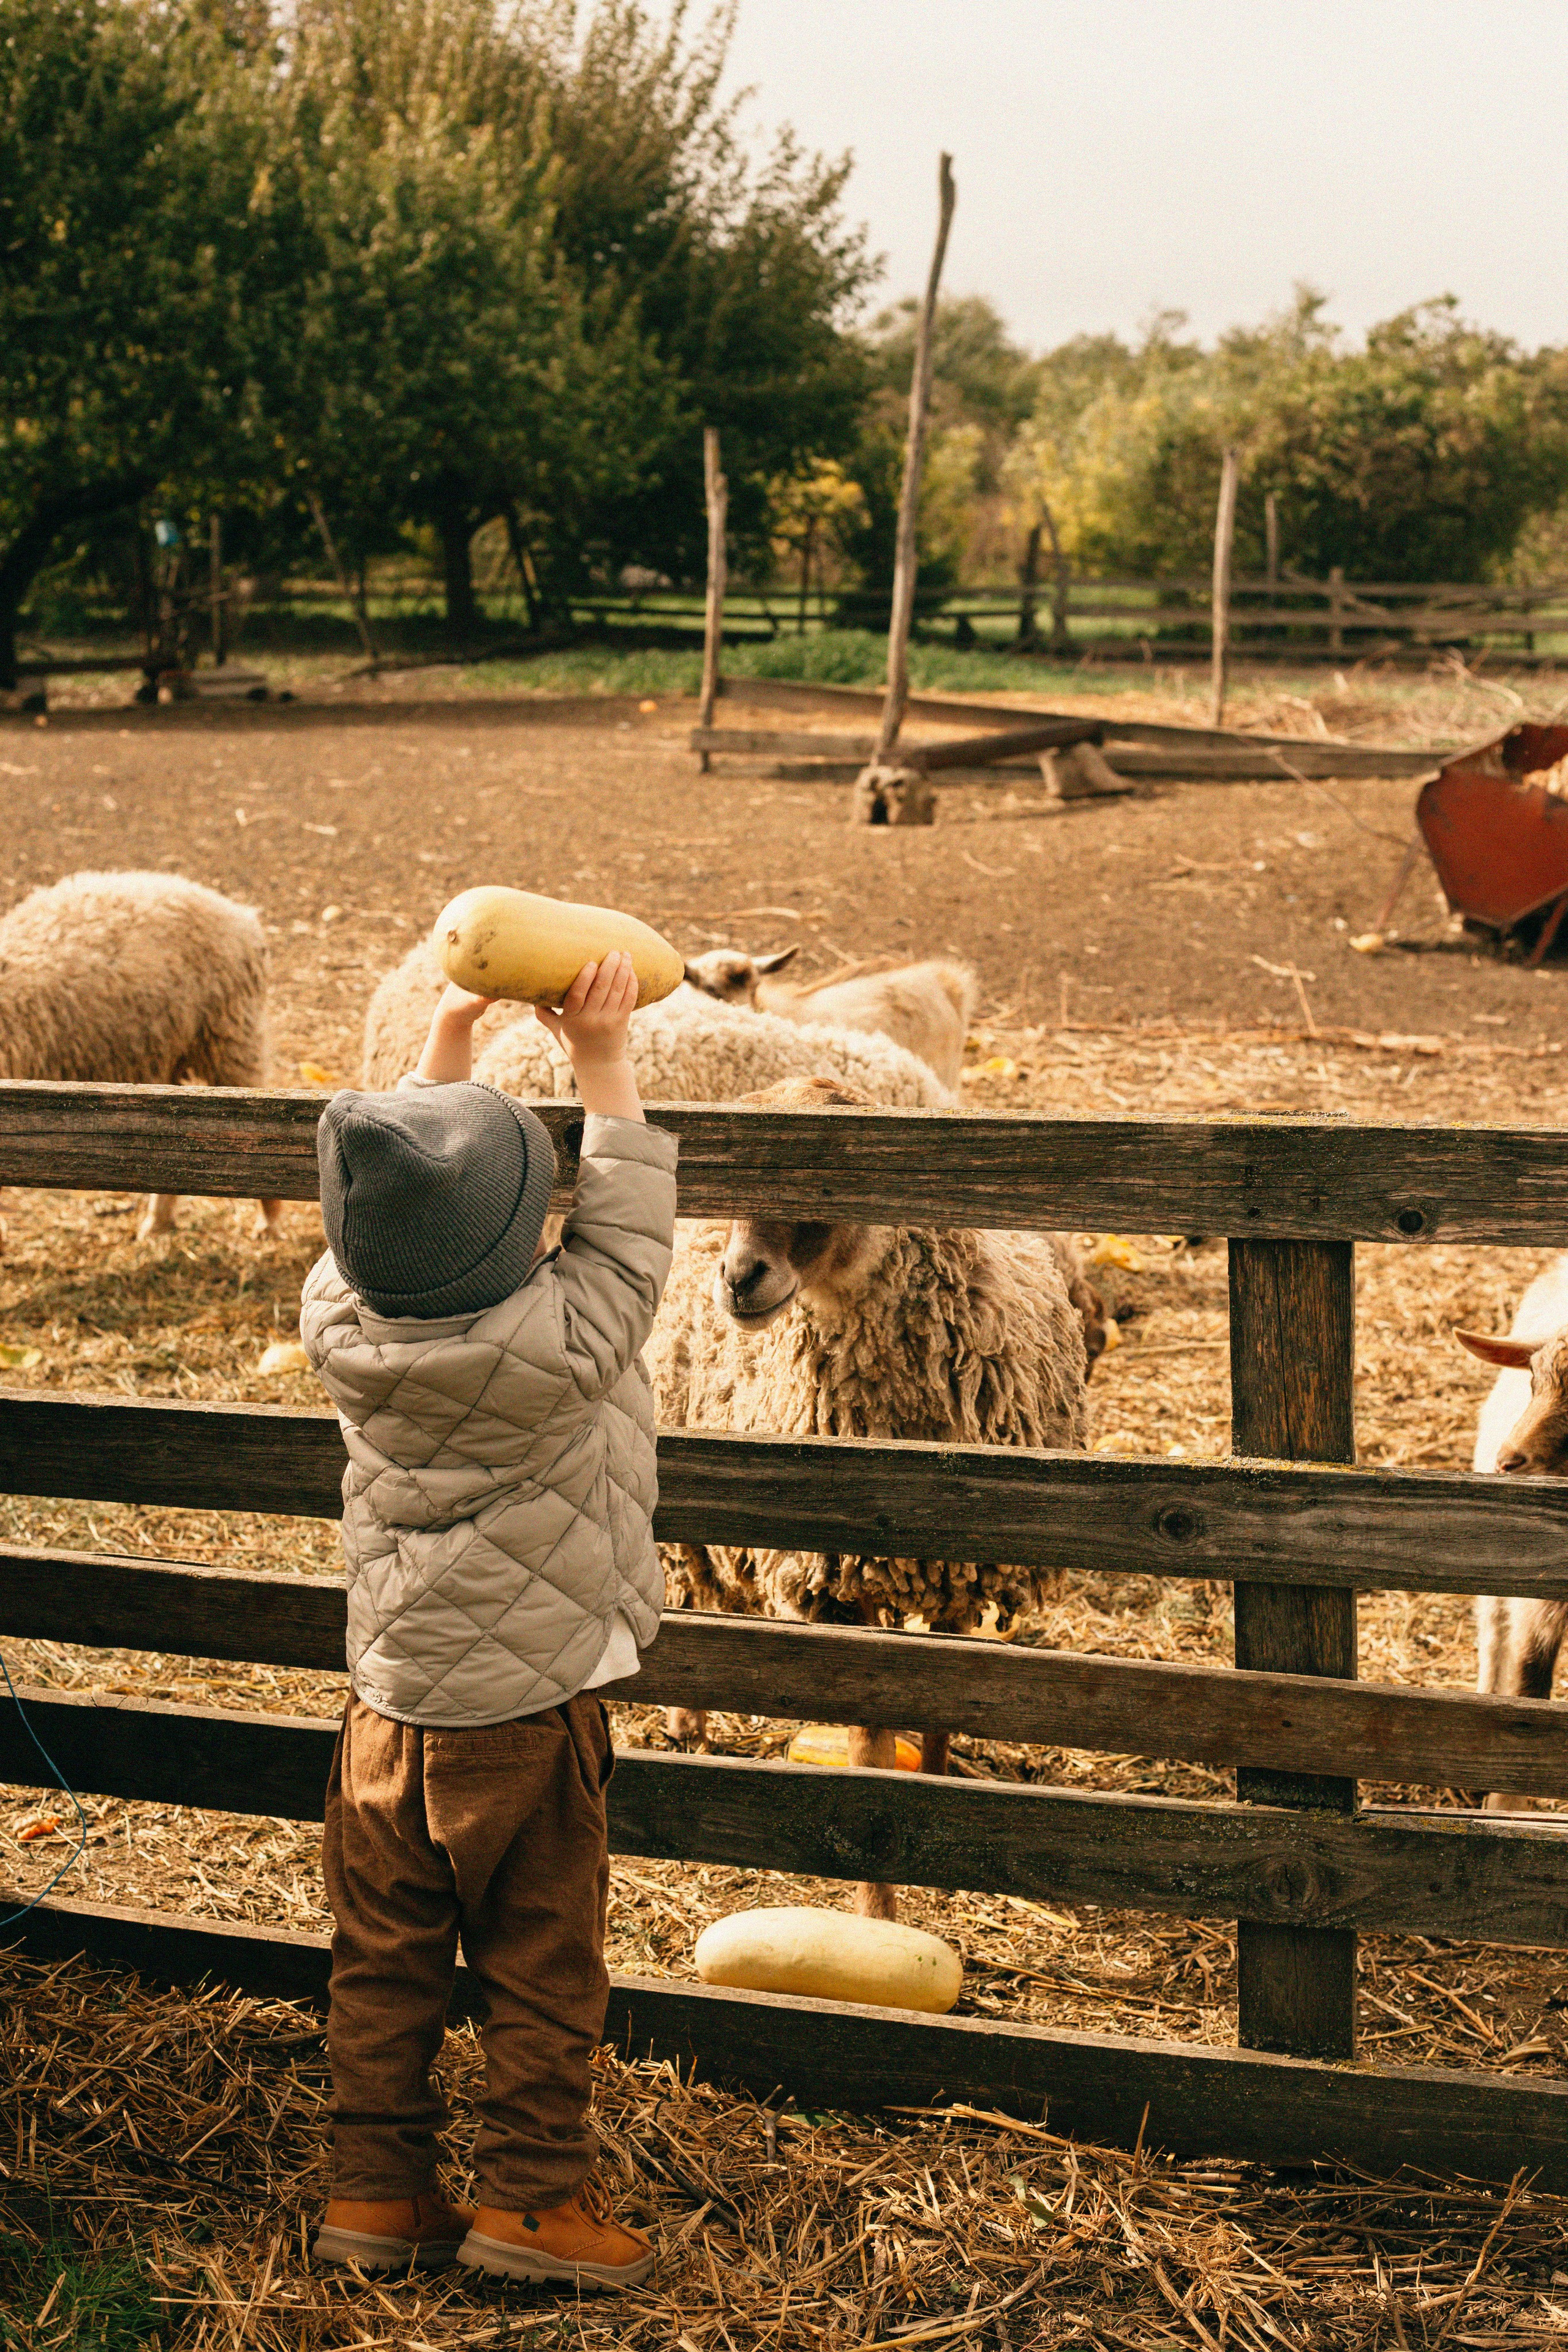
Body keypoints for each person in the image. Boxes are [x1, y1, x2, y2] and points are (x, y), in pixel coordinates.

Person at [299, 952, 676, 2290]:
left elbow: (389, 1189)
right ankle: (527, 2205)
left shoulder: (338, 1318)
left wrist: (441, 1040)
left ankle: (373, 2194)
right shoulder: (573, 1334)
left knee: (384, 1964)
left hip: (386, 1714)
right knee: (539, 1967)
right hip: (531, 1711)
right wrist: (599, 1055)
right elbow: (630, 1218)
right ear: (526, 1234)